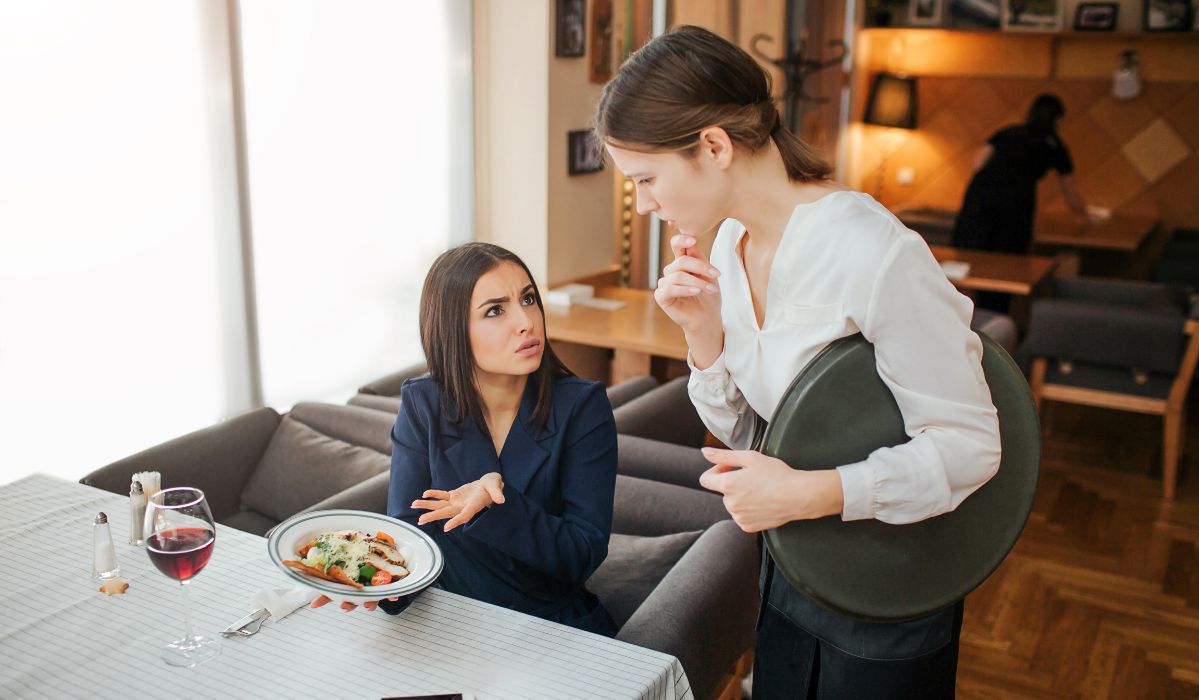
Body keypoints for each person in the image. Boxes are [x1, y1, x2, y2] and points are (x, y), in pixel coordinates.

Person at [595, 26, 1002, 698]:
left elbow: (970, 447)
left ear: (714, 147)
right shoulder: (726, 246)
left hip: (887, 570)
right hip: (792, 560)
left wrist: (810, 492)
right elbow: (751, 436)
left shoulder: (872, 252)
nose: (645, 202)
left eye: (646, 178)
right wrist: (702, 335)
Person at [313, 242, 619, 637]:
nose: (526, 321)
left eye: (528, 299)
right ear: (453, 330)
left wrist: (495, 508)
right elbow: (411, 532)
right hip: (450, 619)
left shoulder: (583, 406)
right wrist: (380, 583)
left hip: (549, 625)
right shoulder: (423, 402)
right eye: (495, 310)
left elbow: (581, 555)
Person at [952, 93, 1103, 310]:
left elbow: (978, 163)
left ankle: (966, 318)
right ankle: (997, 318)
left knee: (967, 260)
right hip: (1016, 200)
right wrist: (1085, 214)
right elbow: (1070, 193)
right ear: (1057, 119)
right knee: (1006, 265)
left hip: (980, 195)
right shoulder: (1054, 145)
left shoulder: (1008, 132)